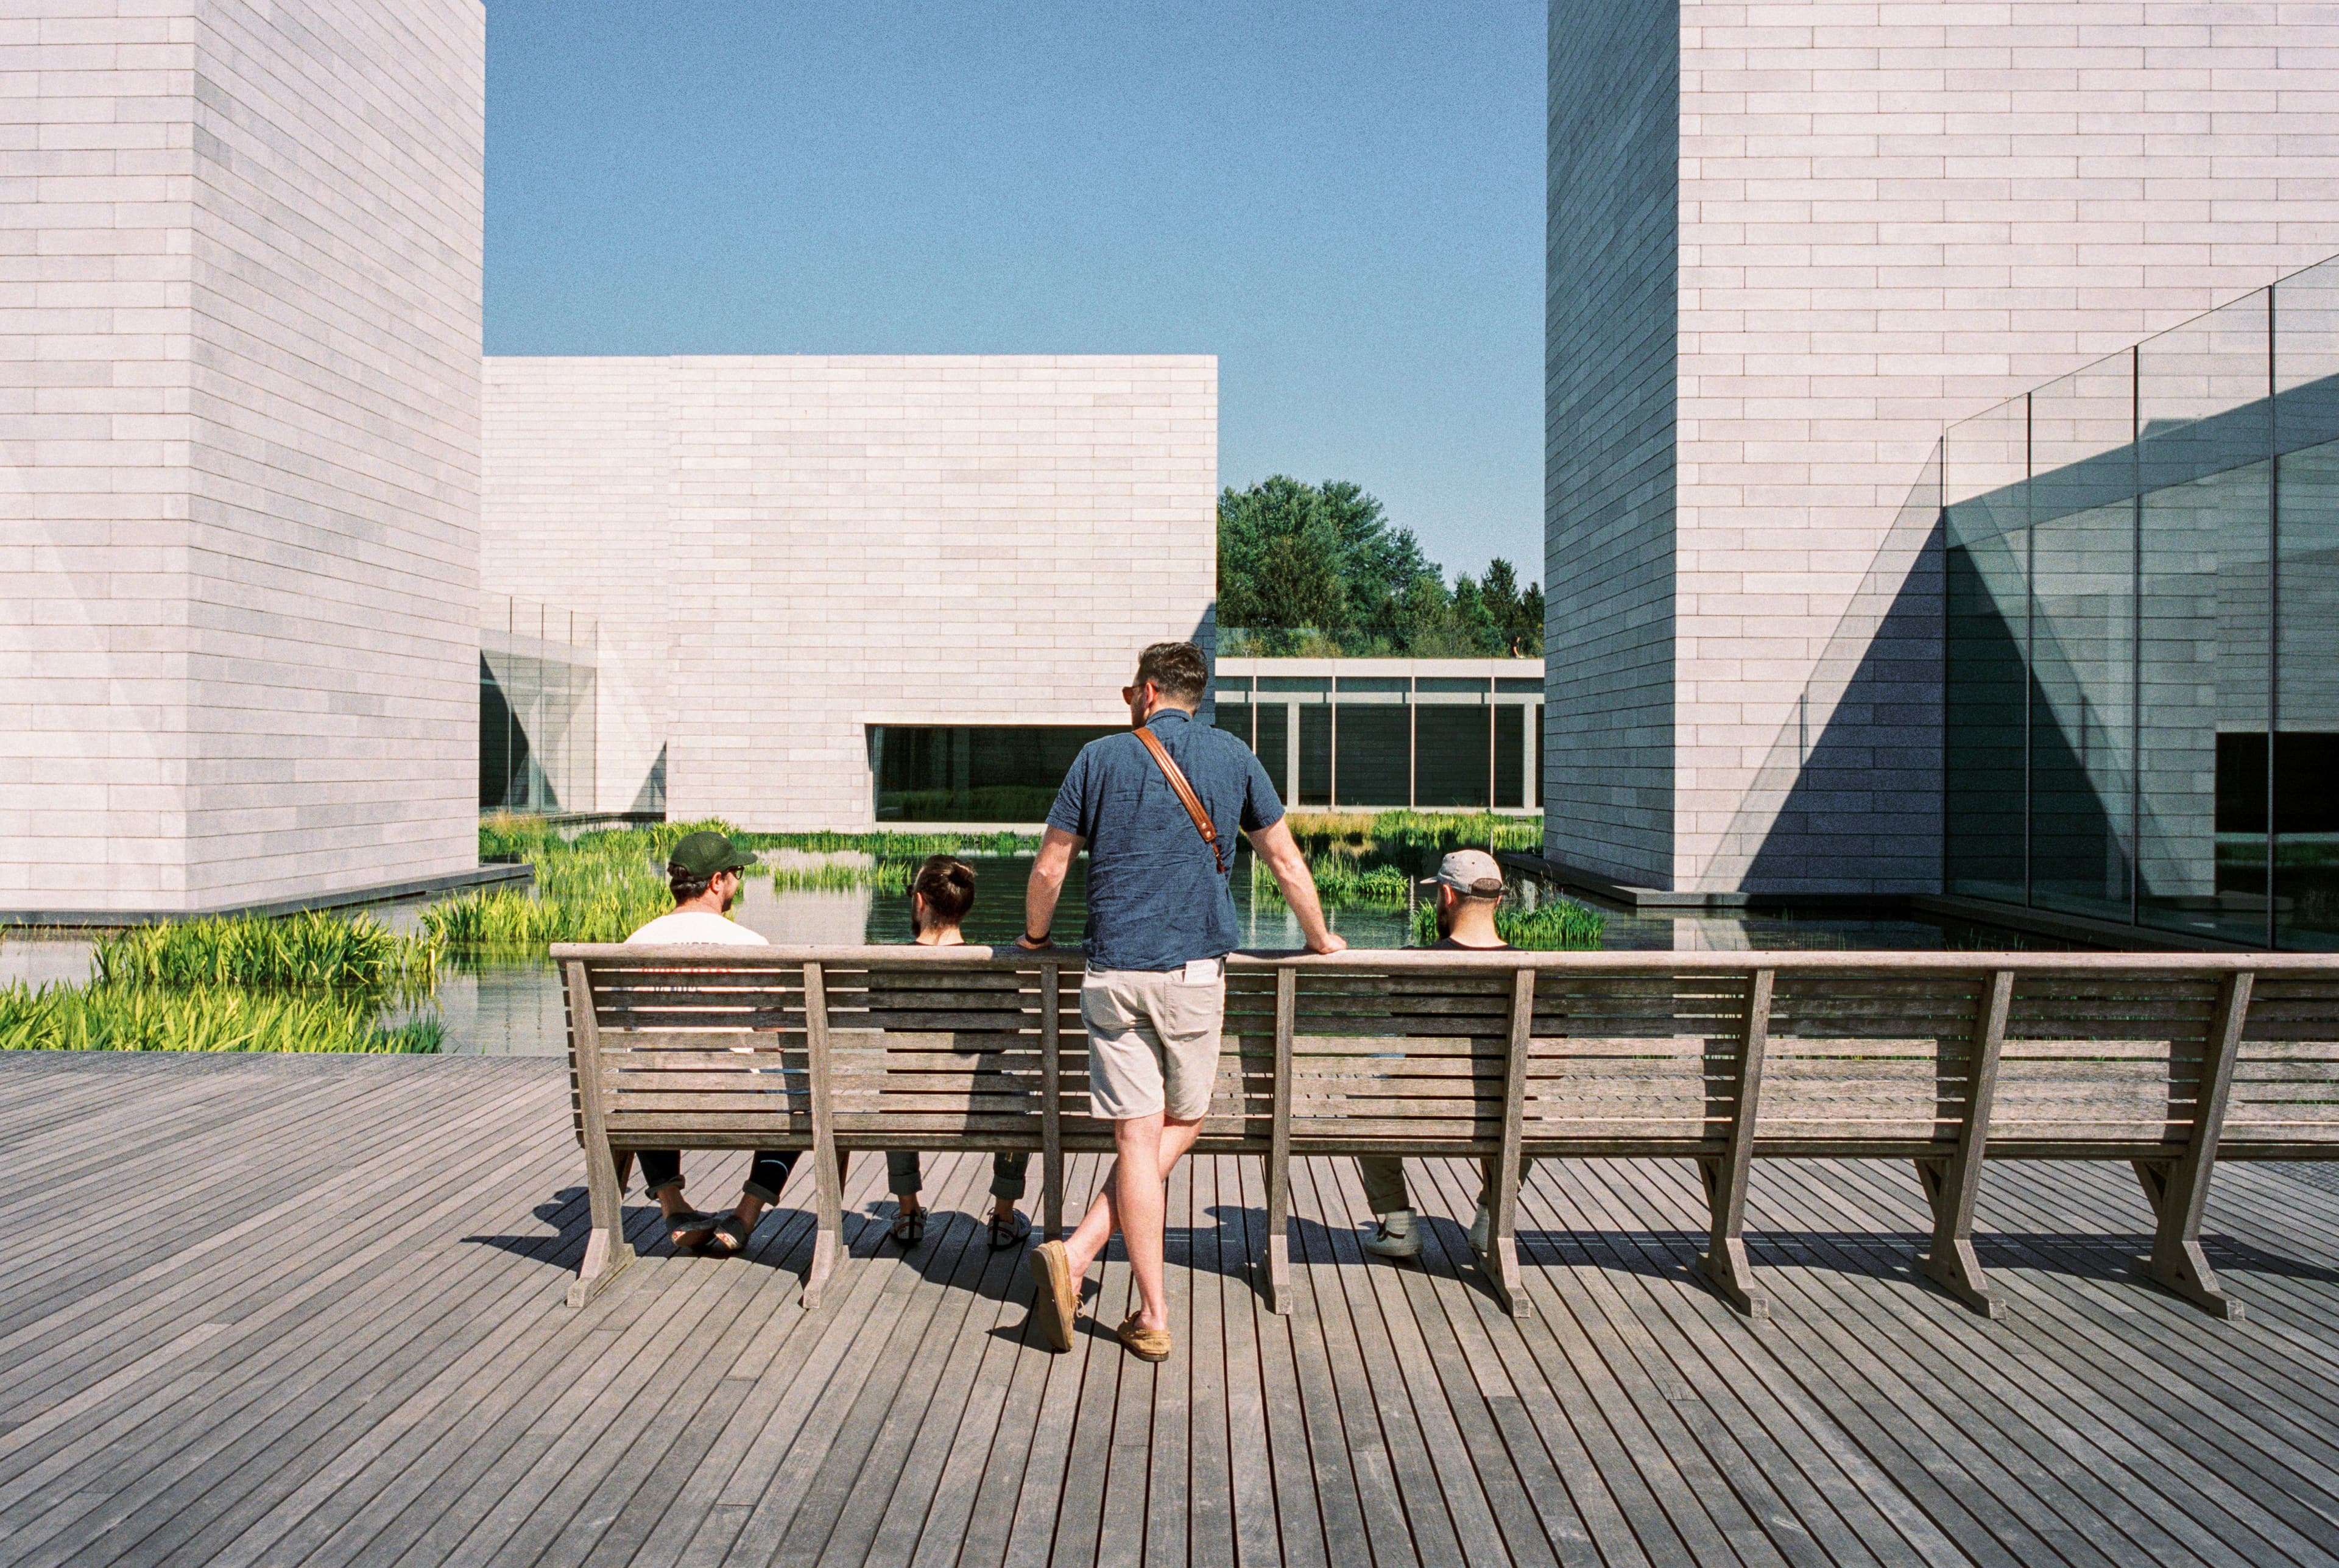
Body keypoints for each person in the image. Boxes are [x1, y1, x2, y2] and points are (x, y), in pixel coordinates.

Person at [1020, 641, 1347, 1363]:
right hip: (1196, 976)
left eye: (1131, 688)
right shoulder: (1234, 756)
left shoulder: (1098, 759)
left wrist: (1035, 940)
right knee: (1186, 1122)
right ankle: (1099, 1275)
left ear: (1149, 690)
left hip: (1112, 975)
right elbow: (1286, 862)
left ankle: (1127, 1293)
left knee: (1136, 1139)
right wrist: (1321, 939)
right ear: (1193, 696)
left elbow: (1050, 867)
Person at [624, 829, 799, 1257]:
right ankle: (746, 1214)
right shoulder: (754, 947)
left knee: (647, 1076)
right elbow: (775, 1035)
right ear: (717, 881)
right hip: (737, 1102)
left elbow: (628, 1034)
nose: (739, 883)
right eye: (737, 873)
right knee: (802, 1094)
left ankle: (673, 1207)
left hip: (650, 1103)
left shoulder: (634, 945)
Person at [1356, 849, 1529, 1264]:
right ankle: (1491, 1218)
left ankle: (1397, 1224)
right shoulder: (1532, 969)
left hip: (1421, 1111)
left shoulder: (1413, 964)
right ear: (1499, 900)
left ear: (1447, 897)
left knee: (1367, 1096)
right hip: (1502, 1119)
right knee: (1526, 1103)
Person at [881, 855, 1033, 1251]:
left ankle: (908, 1211)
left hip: (909, 1103)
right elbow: (1009, 1034)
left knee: (894, 1088)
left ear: (920, 902)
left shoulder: (886, 966)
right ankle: (1003, 1217)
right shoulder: (996, 967)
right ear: (965, 907)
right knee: (1019, 1098)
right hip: (982, 1104)